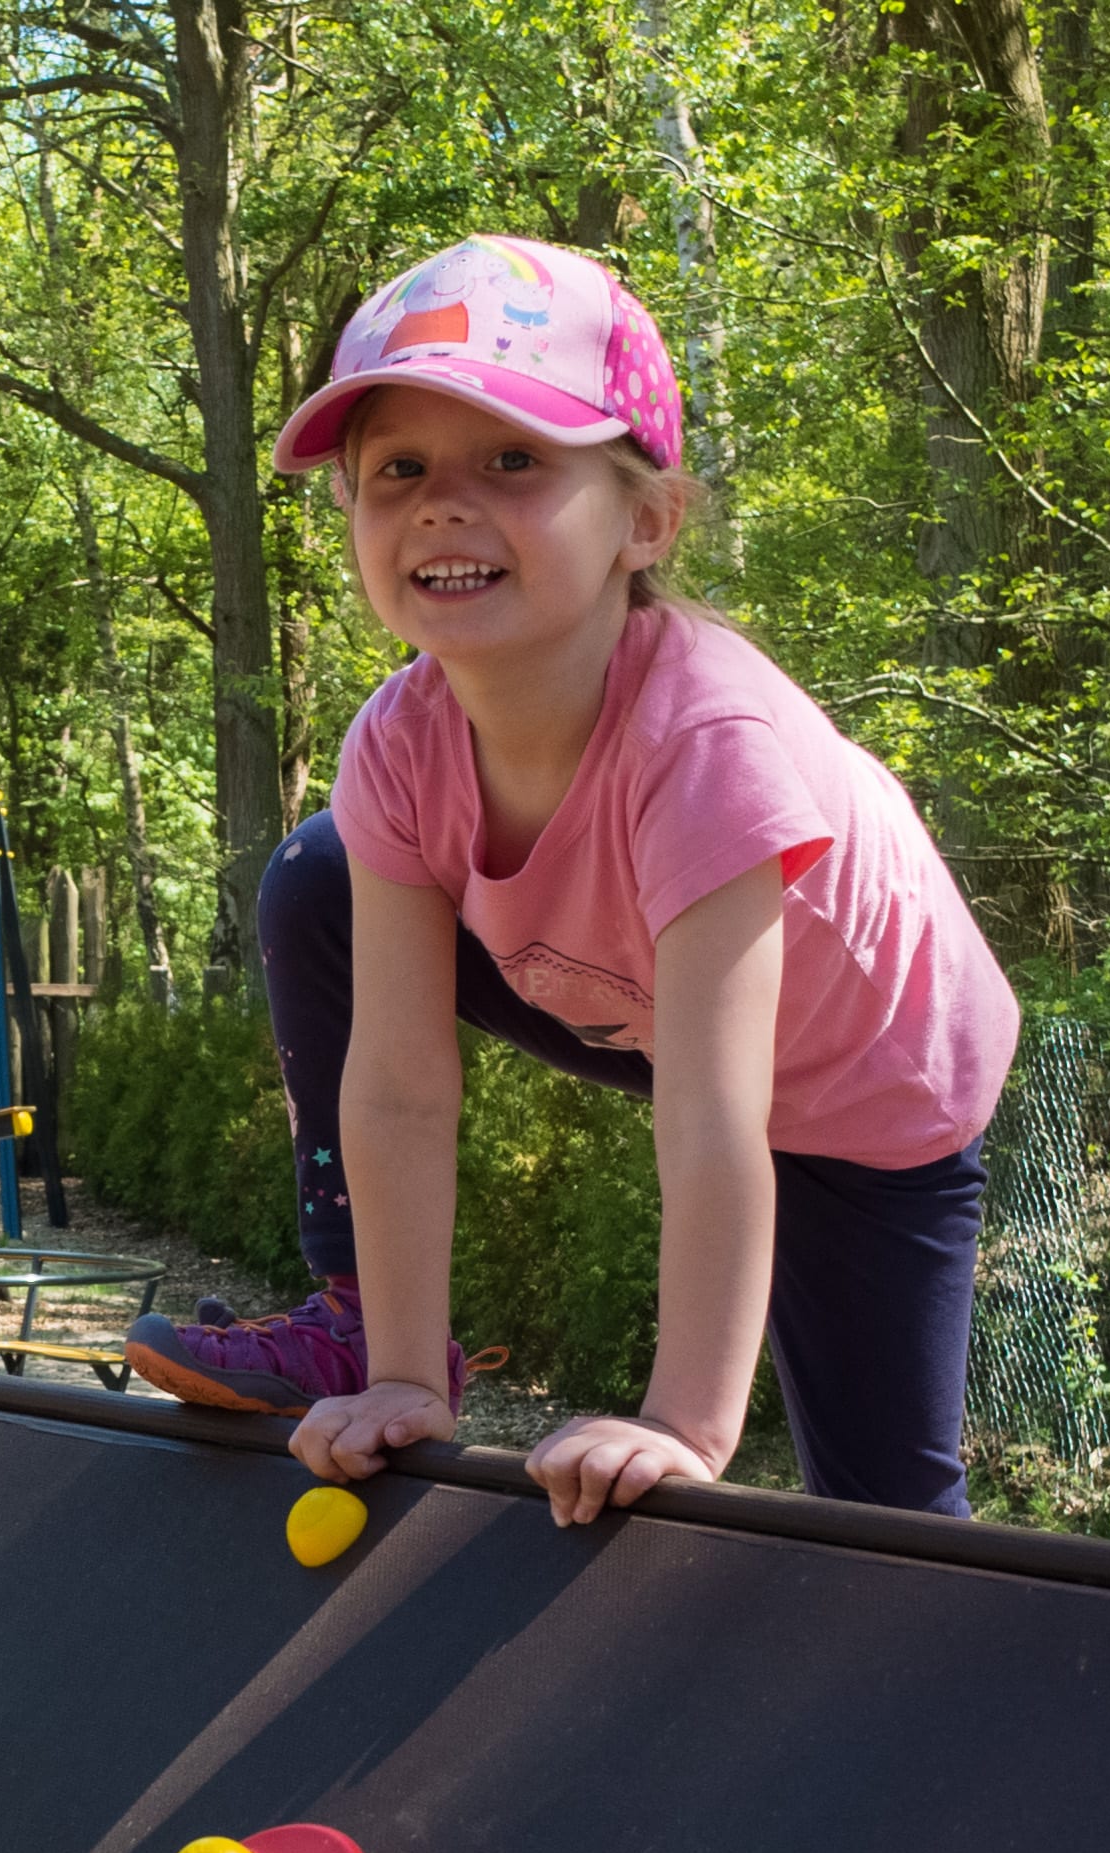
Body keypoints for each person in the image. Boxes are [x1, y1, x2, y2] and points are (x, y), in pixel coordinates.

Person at [123, 234, 1018, 1526]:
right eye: (398, 472)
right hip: (637, 997)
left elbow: (716, 1119)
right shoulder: (399, 743)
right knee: (318, 877)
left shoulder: (706, 745)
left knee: (885, 1524)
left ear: (645, 521)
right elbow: (397, 1084)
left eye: (513, 461)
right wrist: (398, 1378)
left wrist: (682, 1425)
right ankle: (368, 1322)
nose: (442, 503)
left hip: (870, 1083)